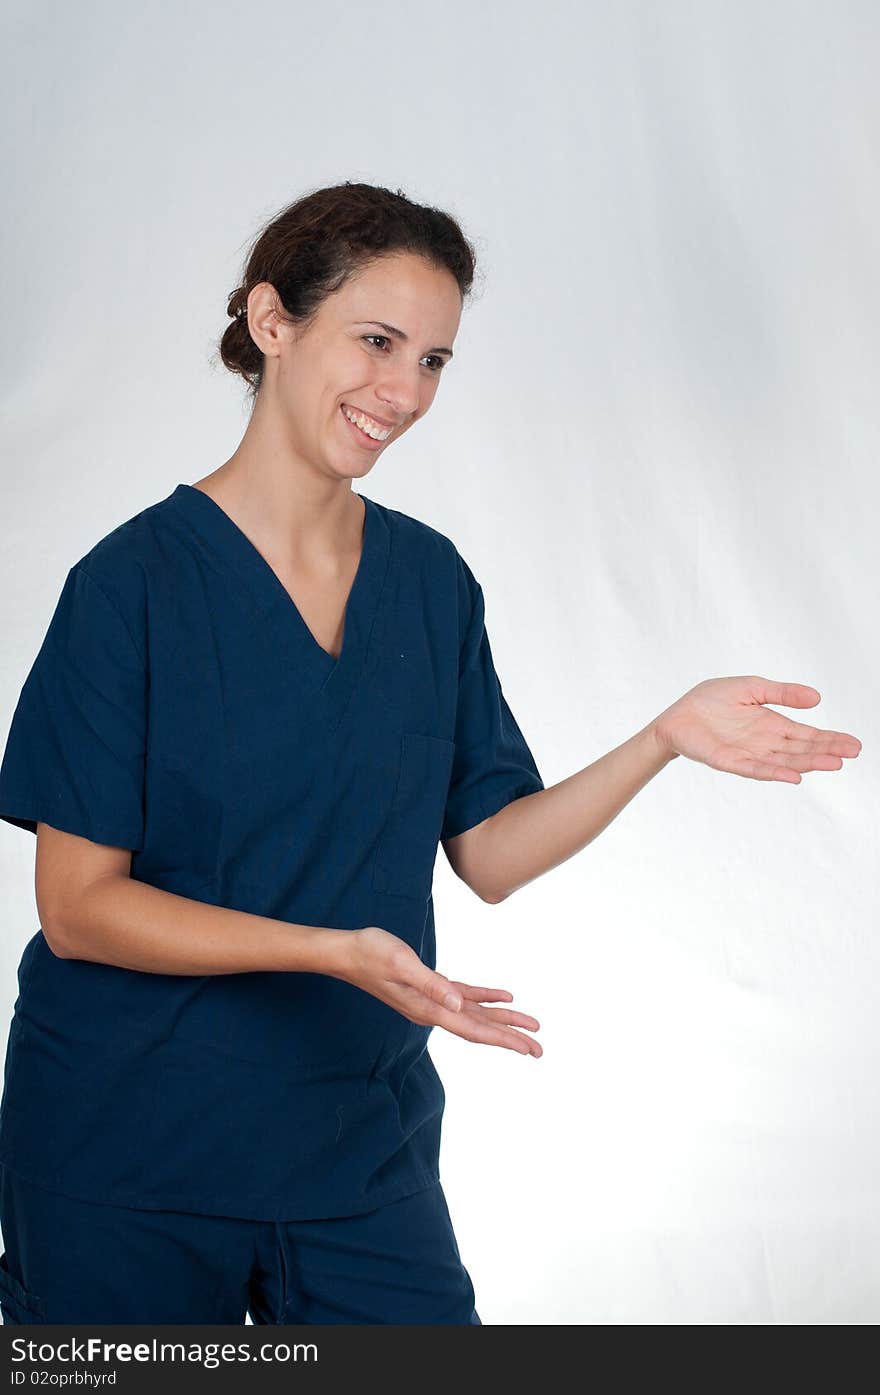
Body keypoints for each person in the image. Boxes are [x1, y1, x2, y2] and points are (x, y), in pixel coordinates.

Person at [0, 182, 862, 1327]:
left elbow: (491, 853)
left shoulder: (429, 583)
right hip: (129, 1154)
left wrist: (661, 739)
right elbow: (80, 909)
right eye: (376, 342)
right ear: (272, 322)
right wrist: (329, 951)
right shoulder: (133, 587)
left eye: (436, 360)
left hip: (355, 1143)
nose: (402, 392)